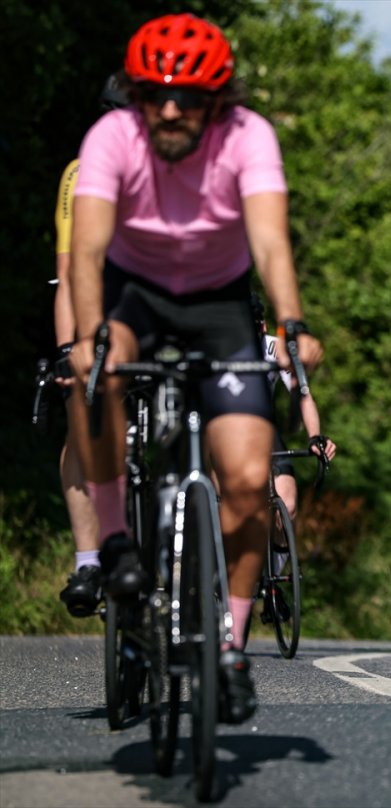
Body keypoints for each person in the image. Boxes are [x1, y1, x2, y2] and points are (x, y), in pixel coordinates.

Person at [67, 13, 323, 723]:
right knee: (97, 373)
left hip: (218, 300)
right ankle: (116, 541)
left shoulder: (250, 137)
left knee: (246, 480)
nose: (171, 110)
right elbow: (87, 252)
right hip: (135, 293)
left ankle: (232, 647)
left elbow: (270, 242)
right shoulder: (111, 137)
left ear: (219, 100)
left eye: (189, 97)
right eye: (154, 95)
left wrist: (293, 324)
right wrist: (89, 336)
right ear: (135, 94)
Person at [55, 75, 130, 617]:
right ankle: (89, 560)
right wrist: (68, 349)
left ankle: (188, 556)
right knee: (80, 413)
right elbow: (65, 278)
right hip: (96, 310)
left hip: (153, 308)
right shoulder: (79, 176)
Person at [250, 292, 335, 623]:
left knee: (287, 503)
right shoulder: (219, 345)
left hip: (263, 429)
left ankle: (272, 587)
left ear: (262, 325)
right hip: (224, 431)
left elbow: (303, 394)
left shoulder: (273, 347)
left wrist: (315, 436)